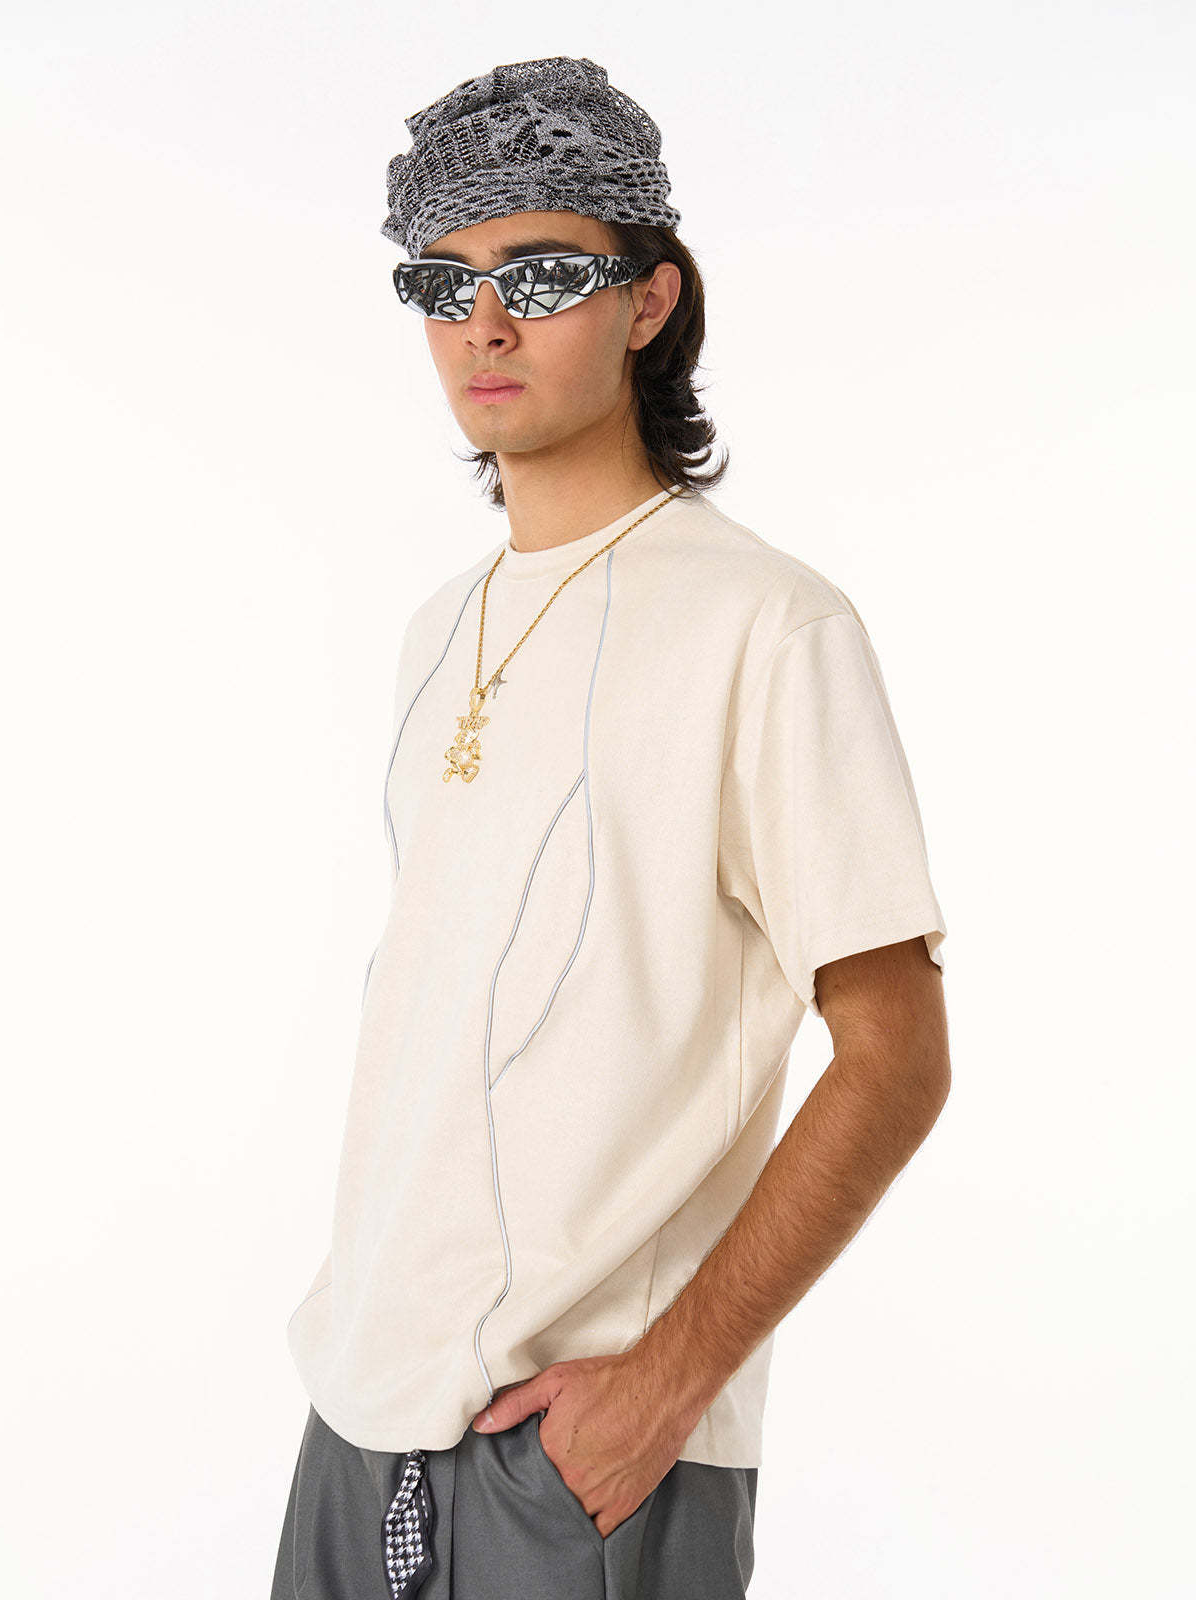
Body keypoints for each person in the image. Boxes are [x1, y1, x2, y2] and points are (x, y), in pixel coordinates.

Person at [270, 54, 951, 1600]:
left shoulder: (767, 626)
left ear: (650, 300)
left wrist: (667, 1384)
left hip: (579, 1461)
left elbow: (898, 1050)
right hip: (356, 1420)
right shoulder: (439, 627)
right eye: (442, 283)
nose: (483, 325)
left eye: (541, 275)